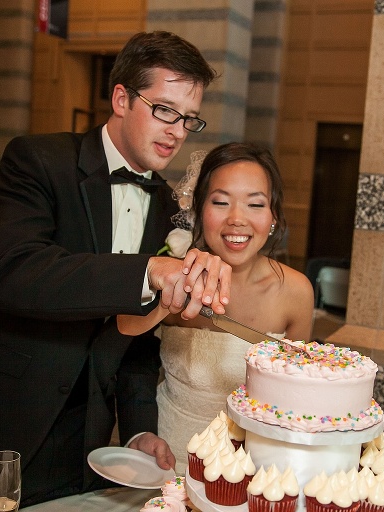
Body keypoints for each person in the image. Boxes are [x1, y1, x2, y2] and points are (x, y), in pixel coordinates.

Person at [0, 31, 230, 511]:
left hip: (86, 441)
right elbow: (17, 274)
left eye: (189, 119)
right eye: (164, 109)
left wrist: (139, 428)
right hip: (0, 415)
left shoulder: (166, 206)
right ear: (121, 98)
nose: (177, 130)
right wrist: (148, 270)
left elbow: (138, 340)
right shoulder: (37, 159)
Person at [118, 142, 315, 474]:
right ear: (199, 210)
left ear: (273, 217)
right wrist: (178, 287)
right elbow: (124, 330)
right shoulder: (174, 274)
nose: (237, 219)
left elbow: (296, 397)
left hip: (251, 470)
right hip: (166, 461)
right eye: (221, 202)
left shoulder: (295, 292)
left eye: (255, 204)